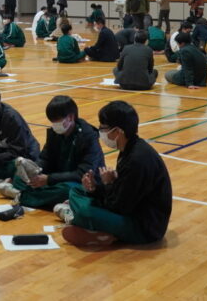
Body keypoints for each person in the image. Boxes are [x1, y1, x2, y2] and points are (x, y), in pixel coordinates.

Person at [58, 101, 172, 247]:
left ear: (117, 131)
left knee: (86, 212)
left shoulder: (137, 160)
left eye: (103, 128)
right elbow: (122, 193)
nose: (101, 132)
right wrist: (95, 188)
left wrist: (107, 184)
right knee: (76, 190)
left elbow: (119, 206)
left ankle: (87, 222)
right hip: (129, 209)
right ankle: (94, 227)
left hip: (144, 227)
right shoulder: (129, 148)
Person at [0, 95, 103, 209]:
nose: (54, 124)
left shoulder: (88, 137)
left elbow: (82, 173)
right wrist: (34, 170)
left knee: (69, 190)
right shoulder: (54, 133)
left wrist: (49, 179)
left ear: (70, 117)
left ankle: (21, 195)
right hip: (57, 178)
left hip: (75, 182)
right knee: (20, 176)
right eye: (52, 121)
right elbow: (45, 158)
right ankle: (31, 195)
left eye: (57, 120)